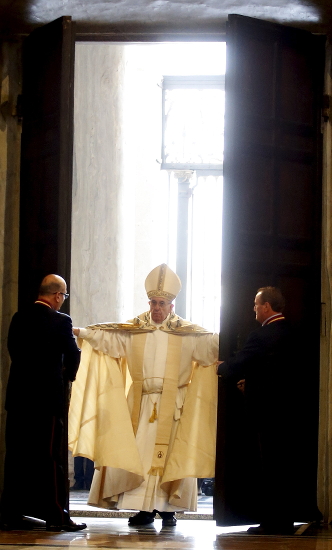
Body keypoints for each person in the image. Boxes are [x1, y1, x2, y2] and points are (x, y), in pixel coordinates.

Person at [69, 264, 218, 527]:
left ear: (172, 305)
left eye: (162, 303)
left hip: (174, 406)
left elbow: (213, 346)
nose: (156, 308)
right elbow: (109, 339)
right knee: (138, 456)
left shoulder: (188, 334)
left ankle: (168, 510)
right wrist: (82, 333)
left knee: (171, 456)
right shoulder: (135, 330)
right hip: (141, 403)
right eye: (153, 302)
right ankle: (143, 509)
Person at [0, 274, 86, 532]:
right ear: (58, 295)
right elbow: (73, 355)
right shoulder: (61, 321)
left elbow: (13, 351)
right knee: (49, 459)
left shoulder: (18, 317)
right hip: (46, 403)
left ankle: (11, 514)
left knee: (16, 457)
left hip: (18, 401)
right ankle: (56, 516)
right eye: (64, 296)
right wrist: (65, 377)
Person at [217, 286, 295, 535]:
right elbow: (274, 371)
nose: (253, 309)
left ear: (266, 307)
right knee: (284, 468)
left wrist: (222, 367)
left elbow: (242, 362)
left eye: (255, 304)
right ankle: (285, 520)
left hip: (267, 412)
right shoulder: (293, 332)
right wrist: (250, 381)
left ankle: (273, 523)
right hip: (289, 411)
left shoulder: (262, 335)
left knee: (271, 468)